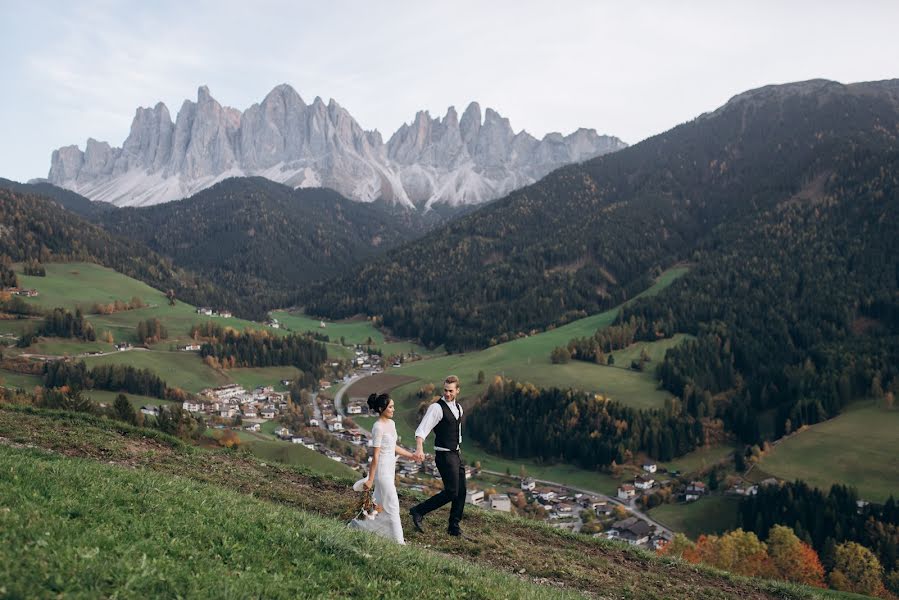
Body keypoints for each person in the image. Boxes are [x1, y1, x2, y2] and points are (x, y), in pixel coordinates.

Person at [349, 393, 418, 544]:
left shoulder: (391, 424)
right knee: (393, 504)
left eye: (393, 406)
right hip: (381, 472)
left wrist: (411, 456)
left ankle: (361, 526)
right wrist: (371, 479)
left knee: (379, 505)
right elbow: (376, 456)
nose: (394, 409)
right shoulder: (377, 427)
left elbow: (393, 447)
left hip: (390, 469)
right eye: (391, 407)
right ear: (381, 408)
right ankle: (399, 543)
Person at [409, 375, 466, 536]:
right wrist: (419, 449)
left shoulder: (459, 408)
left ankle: (454, 527)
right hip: (444, 456)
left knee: (461, 491)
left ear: (457, 390)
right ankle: (418, 511)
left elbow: (457, 433)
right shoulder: (436, 408)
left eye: (451, 391)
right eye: (445, 390)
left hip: (456, 454)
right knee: (451, 492)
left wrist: (458, 449)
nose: (447, 394)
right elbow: (422, 430)